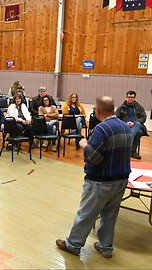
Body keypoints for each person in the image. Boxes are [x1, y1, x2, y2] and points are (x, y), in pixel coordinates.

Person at [56, 96, 133, 259]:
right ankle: (106, 247)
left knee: (86, 213)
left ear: (97, 110)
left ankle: (73, 245)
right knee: (110, 215)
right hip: (121, 180)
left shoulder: (101, 129)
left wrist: (84, 145)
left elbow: (95, 157)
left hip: (101, 181)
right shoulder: (126, 127)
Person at [115, 90, 147, 160]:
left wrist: (134, 123)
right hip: (125, 126)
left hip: (137, 125)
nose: (130, 99)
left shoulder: (139, 108)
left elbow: (143, 118)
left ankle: (127, 143)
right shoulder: (121, 108)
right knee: (139, 132)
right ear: (126, 97)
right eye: (129, 97)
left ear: (134, 98)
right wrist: (125, 123)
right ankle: (132, 151)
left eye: (132, 97)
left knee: (138, 124)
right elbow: (116, 118)